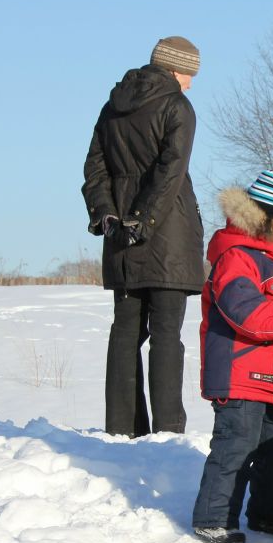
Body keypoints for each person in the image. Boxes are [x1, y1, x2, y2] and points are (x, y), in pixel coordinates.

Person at [82, 36, 206, 438]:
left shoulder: (112, 106)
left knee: (126, 330)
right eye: (190, 73)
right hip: (166, 236)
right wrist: (144, 221)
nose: (191, 83)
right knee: (167, 334)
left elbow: (94, 169)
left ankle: (122, 429)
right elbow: (171, 173)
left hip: (121, 236)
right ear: (175, 68)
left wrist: (108, 214)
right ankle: (168, 432)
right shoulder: (178, 107)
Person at [191, 158, 273, 543]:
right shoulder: (236, 258)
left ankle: (267, 512)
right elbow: (244, 312)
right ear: (264, 220)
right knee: (237, 445)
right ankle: (213, 517)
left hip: (270, 384)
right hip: (239, 376)